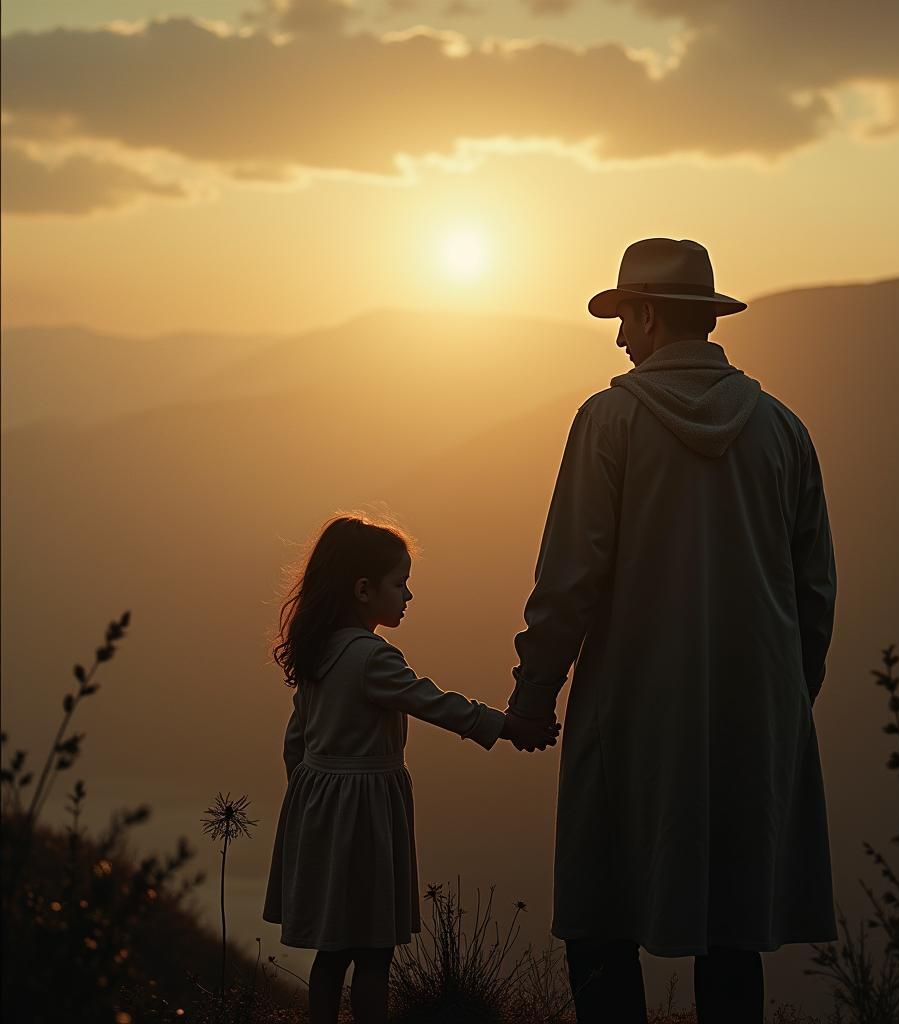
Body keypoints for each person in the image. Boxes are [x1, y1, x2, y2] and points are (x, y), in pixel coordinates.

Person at [504, 238, 838, 1023]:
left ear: (649, 314)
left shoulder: (609, 421)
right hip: (753, 718)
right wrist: (788, 701)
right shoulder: (784, 431)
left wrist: (533, 694)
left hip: (631, 715)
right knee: (733, 938)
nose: (621, 339)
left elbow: (569, 580)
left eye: (624, 318)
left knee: (600, 919)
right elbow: (815, 590)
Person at [262, 513, 558, 1024]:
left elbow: (296, 740)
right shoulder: (373, 657)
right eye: (400, 584)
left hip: (319, 811)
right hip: (366, 813)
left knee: (331, 950)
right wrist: (510, 726)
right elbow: (435, 703)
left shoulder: (319, 652)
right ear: (363, 589)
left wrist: (310, 802)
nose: (407, 596)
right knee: (375, 950)